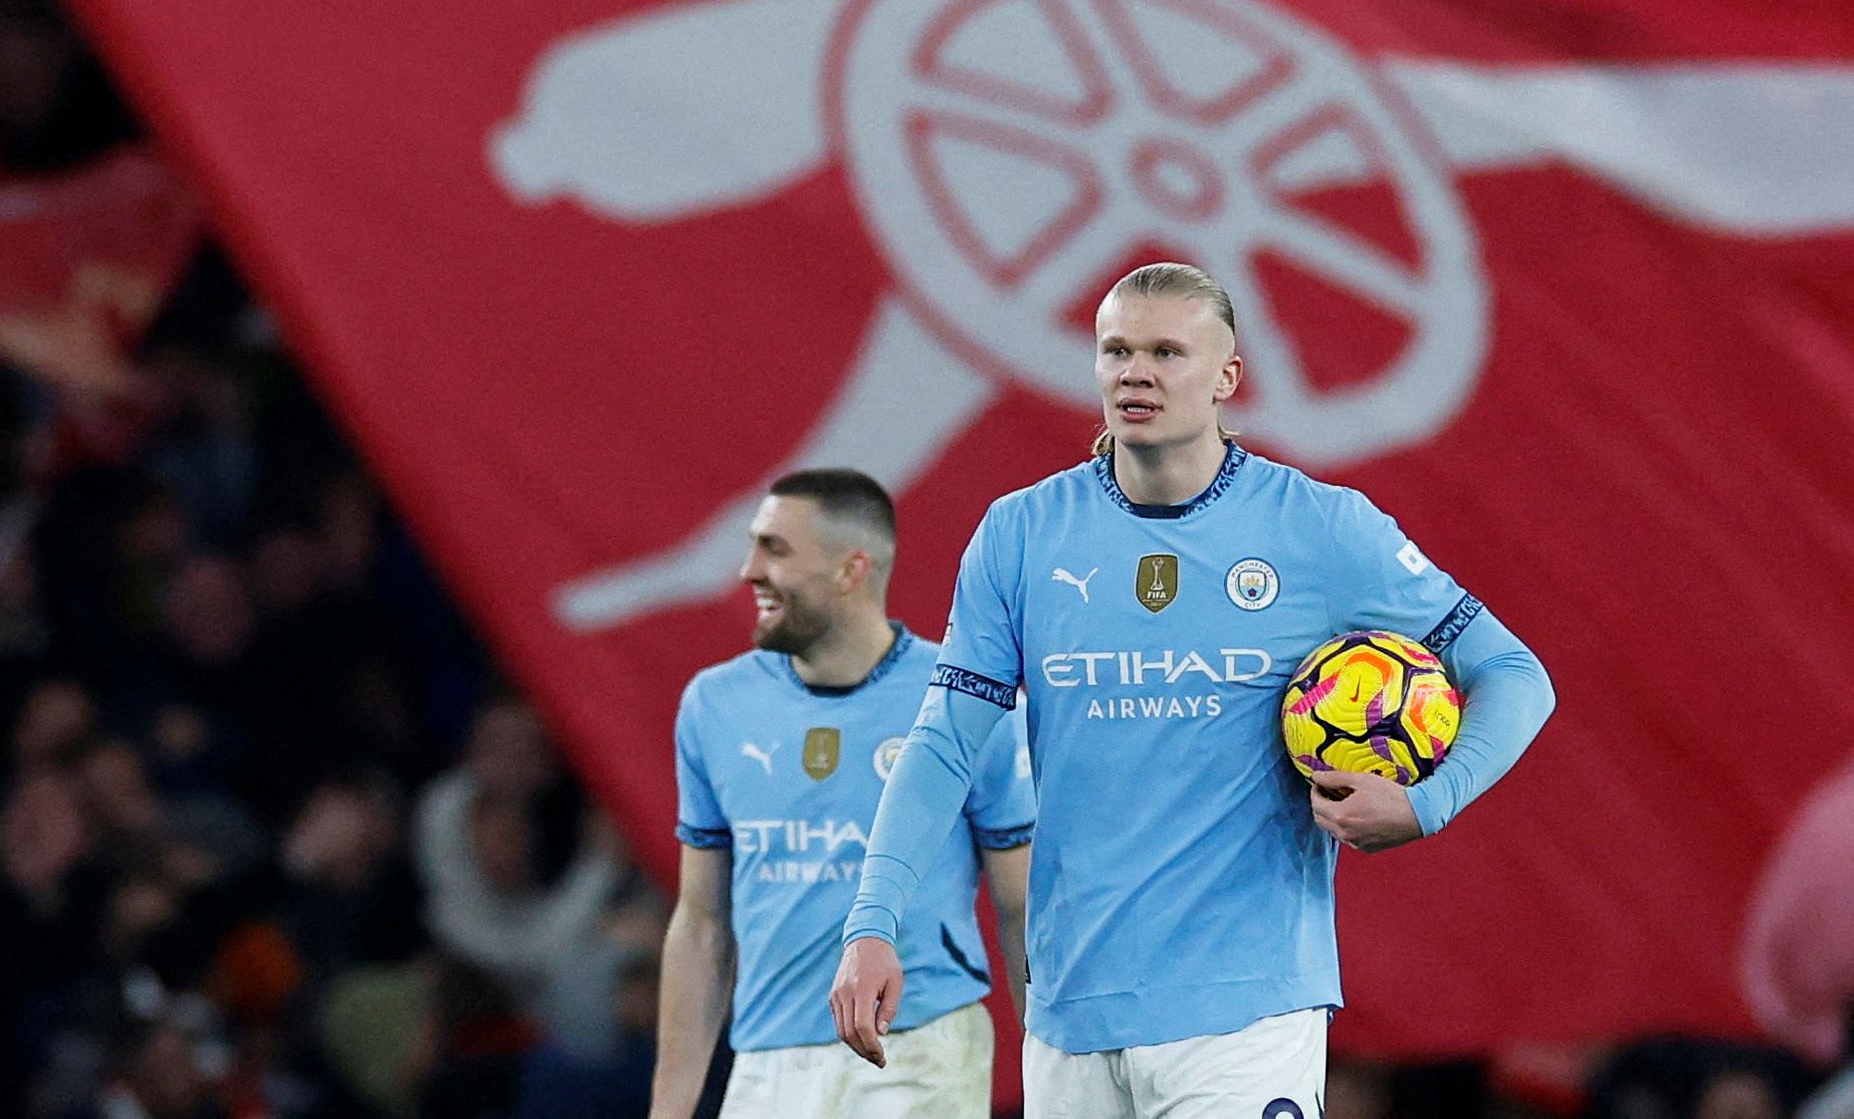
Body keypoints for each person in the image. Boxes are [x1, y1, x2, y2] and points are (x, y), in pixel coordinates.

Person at [831, 262, 1556, 1117]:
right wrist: (873, 921)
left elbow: (1515, 675)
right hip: (1070, 1008)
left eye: (1167, 350)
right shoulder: (1021, 533)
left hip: (1245, 1010)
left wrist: (1428, 802)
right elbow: (944, 743)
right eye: (1116, 351)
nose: (1136, 371)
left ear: (1226, 378)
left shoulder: (1321, 528)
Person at [653, 469, 1034, 1119]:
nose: (748, 569)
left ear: (851, 569)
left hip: (917, 1047)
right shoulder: (713, 705)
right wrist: (669, 1107)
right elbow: (701, 923)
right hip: (765, 1061)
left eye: (775, 548)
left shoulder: (970, 702)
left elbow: (1023, 907)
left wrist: (1057, 1075)